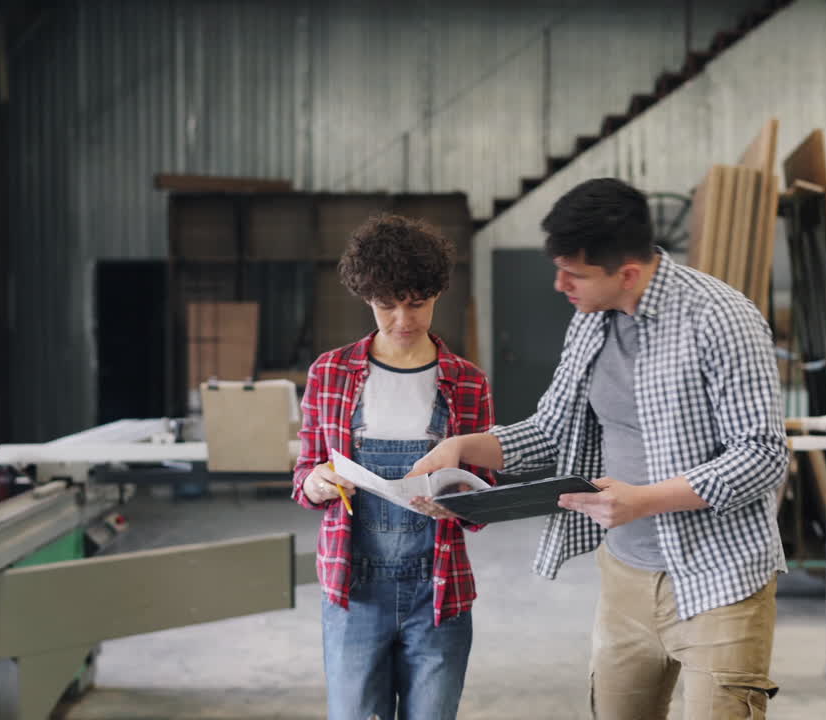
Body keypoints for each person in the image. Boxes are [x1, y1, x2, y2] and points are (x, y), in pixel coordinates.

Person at [411, 178, 788, 719]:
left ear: (628, 273)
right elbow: (550, 431)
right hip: (627, 579)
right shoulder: (589, 322)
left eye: (576, 273)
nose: (560, 284)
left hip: (720, 578)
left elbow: (762, 453)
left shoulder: (721, 319)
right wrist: (461, 447)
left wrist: (644, 501)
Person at [292, 213, 495, 720]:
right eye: (387, 305)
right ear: (366, 298)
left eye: (417, 304)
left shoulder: (467, 382)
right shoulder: (331, 373)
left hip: (439, 590)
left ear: (437, 294)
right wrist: (317, 481)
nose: (403, 320)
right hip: (354, 591)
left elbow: (486, 494)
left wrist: (457, 505)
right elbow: (303, 474)